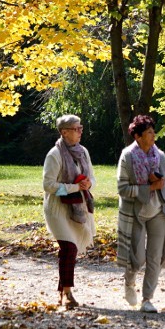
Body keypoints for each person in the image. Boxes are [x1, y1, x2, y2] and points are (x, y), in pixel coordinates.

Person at [115, 114, 165, 314]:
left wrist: (160, 185)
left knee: (155, 257)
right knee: (138, 258)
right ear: (138, 136)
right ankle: (129, 281)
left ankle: (147, 299)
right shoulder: (127, 156)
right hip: (136, 213)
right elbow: (122, 188)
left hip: (158, 211)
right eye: (149, 133)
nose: (153, 136)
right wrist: (148, 187)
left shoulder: (159, 156)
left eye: (153, 132)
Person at [43, 114, 96, 309]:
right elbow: (48, 185)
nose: (80, 131)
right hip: (57, 208)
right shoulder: (54, 155)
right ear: (64, 132)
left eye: (80, 127)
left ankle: (61, 292)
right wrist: (75, 187)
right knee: (69, 248)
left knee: (69, 250)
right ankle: (67, 293)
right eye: (76, 129)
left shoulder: (83, 152)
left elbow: (92, 178)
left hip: (78, 206)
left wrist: (88, 183)